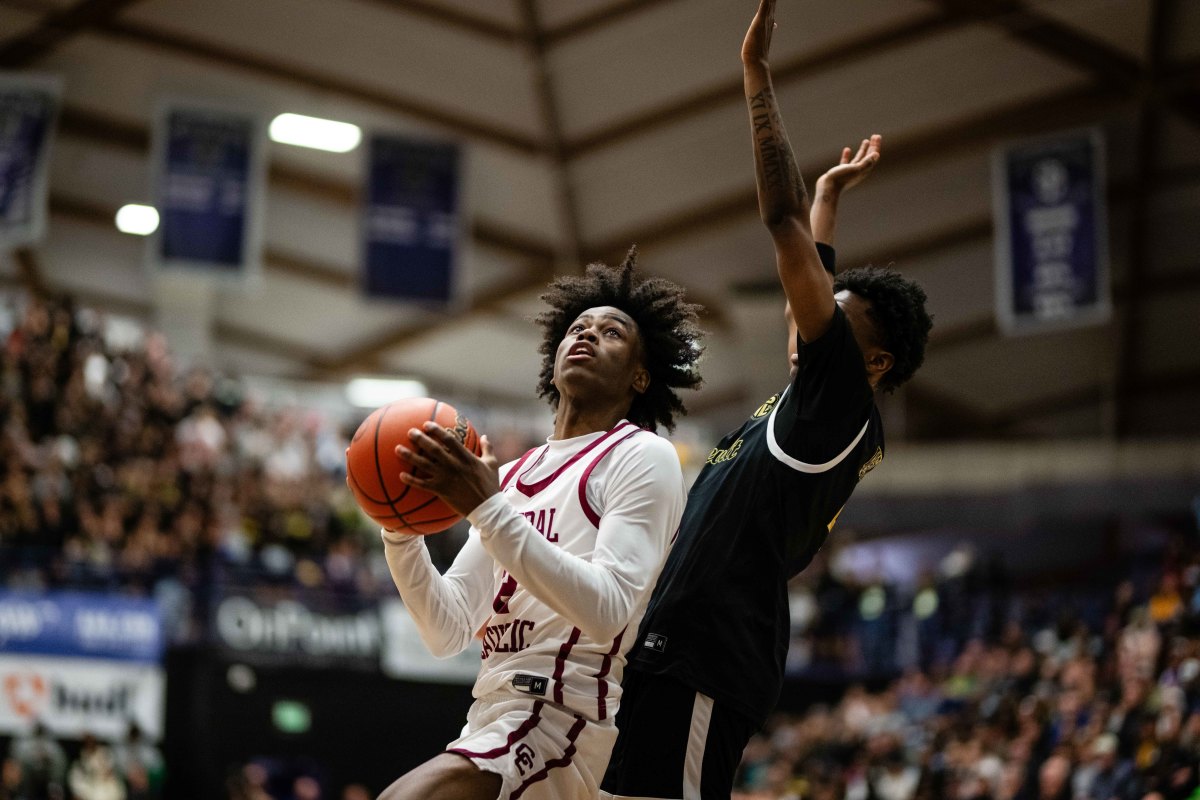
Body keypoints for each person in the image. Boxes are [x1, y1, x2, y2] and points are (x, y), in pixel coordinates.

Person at [600, 2, 933, 798]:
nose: (802, 317)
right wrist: (828, 197)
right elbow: (808, 270)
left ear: (874, 360)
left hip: (712, 657)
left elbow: (779, 227)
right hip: (672, 644)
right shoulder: (815, 398)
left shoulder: (841, 402)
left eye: (828, 318)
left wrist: (757, 77)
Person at [376, 249, 704, 800]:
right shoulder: (509, 474)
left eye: (611, 332)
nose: (587, 335)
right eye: (577, 327)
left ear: (641, 375)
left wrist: (487, 509)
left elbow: (607, 610)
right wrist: (399, 528)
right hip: (488, 715)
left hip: (560, 718)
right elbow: (446, 628)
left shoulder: (642, 455)